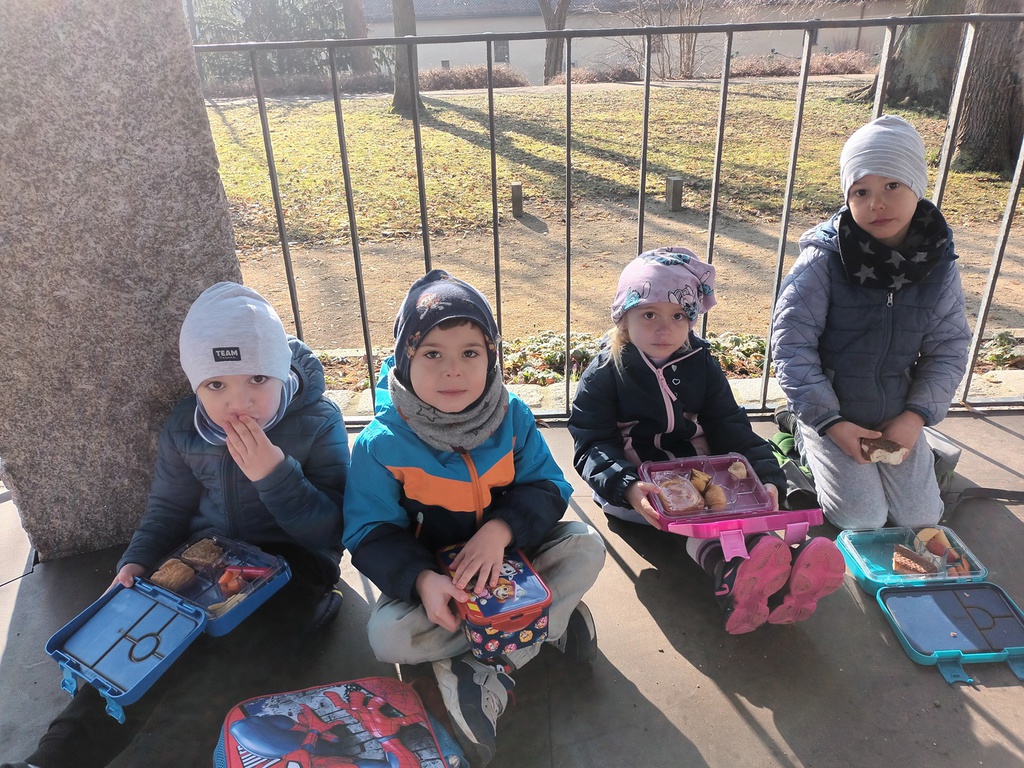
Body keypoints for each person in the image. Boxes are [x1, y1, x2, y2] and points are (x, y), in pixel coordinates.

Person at [6, 282, 349, 768]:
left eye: (257, 378)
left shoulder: (316, 420)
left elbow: (333, 531)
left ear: (279, 371)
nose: (239, 401)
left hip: (294, 564)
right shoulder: (187, 425)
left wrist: (275, 475)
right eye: (216, 385)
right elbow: (166, 509)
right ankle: (54, 758)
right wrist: (136, 562)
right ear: (196, 385)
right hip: (207, 560)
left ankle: (177, 749)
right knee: (132, 651)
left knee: (230, 668)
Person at [342, 270, 606, 767]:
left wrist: (499, 531)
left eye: (470, 353)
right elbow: (369, 531)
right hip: (447, 589)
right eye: (432, 354)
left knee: (587, 545)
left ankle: (486, 664)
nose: (453, 371)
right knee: (388, 637)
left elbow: (548, 486)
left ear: (491, 357)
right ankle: (548, 624)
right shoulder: (381, 444)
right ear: (406, 359)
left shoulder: (512, 416)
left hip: (515, 565)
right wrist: (422, 581)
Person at [568, 247, 845, 635]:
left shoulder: (700, 362)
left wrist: (767, 476)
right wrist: (625, 485)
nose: (664, 329)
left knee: (741, 501)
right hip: (639, 487)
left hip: (705, 470)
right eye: (649, 314)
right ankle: (730, 570)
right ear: (624, 318)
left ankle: (786, 568)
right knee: (704, 521)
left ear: (691, 319)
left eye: (678, 316)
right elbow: (592, 442)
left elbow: (729, 423)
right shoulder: (607, 371)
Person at [771, 115, 970, 531]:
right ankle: (800, 434)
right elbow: (791, 345)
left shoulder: (938, 261)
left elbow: (948, 347)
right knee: (861, 518)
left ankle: (915, 449)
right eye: (861, 191)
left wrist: (915, 417)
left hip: (897, 412)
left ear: (917, 185)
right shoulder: (824, 259)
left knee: (922, 518)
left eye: (892, 185)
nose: (876, 203)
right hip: (831, 411)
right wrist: (830, 423)